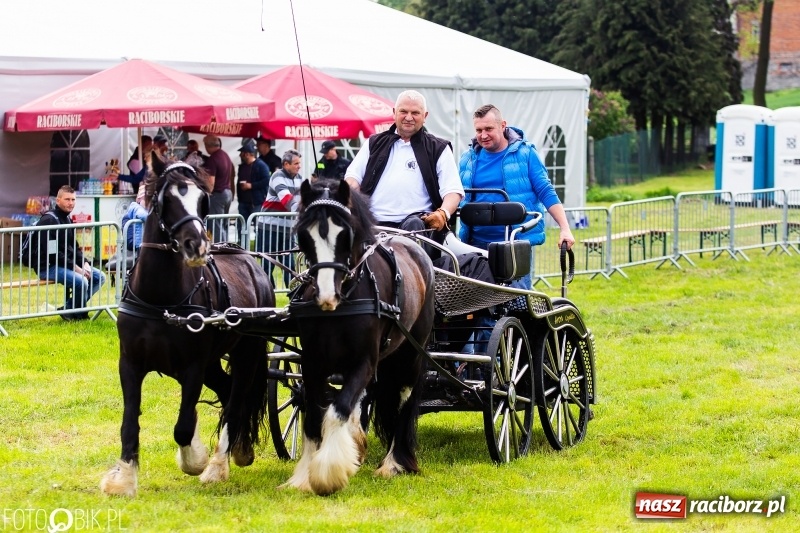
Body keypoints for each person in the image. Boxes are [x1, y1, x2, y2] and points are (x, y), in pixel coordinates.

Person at [459, 104, 575, 289]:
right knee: (479, 301)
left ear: (503, 125)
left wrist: (565, 228)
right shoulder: (468, 158)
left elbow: (545, 191)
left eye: (489, 129)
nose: (483, 135)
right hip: (475, 244)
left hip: (513, 243)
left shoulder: (525, 153)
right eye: (479, 130)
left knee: (516, 300)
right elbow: (457, 195)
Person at [344, 89, 464, 245]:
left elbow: (453, 191)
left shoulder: (439, 148)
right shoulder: (373, 143)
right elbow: (353, 179)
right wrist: (345, 197)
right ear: (394, 112)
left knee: (414, 224)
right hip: (372, 224)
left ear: (425, 116)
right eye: (403, 111)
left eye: (415, 113)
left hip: (416, 227)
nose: (408, 117)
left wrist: (443, 213)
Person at [31, 185, 106, 321]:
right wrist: (76, 268)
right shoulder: (49, 220)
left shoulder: (67, 219)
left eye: (73, 199)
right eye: (67, 199)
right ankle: (79, 315)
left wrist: (84, 263)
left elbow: (74, 247)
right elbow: (52, 254)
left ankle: (68, 309)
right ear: (58, 200)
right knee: (81, 281)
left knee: (99, 277)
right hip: (48, 266)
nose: (71, 203)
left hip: (64, 264)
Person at [257, 149, 303, 288]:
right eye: (296, 163)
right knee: (267, 264)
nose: (299, 166)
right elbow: (287, 200)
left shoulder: (299, 178)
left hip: (287, 229)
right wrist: (303, 213)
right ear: (286, 164)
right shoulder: (277, 176)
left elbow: (301, 201)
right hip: (269, 228)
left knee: (289, 264)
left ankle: (293, 295)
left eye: (299, 163)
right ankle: (267, 293)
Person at [202, 134, 234, 242]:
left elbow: (211, 182)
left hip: (218, 195)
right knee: (223, 224)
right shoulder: (225, 155)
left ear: (207, 145)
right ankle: (225, 245)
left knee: (216, 225)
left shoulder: (213, 159)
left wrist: (207, 194)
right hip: (227, 193)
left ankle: (220, 248)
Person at [235, 140, 271, 234]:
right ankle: (242, 243)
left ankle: (258, 243)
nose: (240, 155)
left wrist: (251, 185)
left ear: (247, 154)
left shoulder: (261, 165)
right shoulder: (242, 167)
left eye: (242, 153)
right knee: (242, 228)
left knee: (258, 227)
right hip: (243, 202)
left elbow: (267, 180)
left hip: (256, 202)